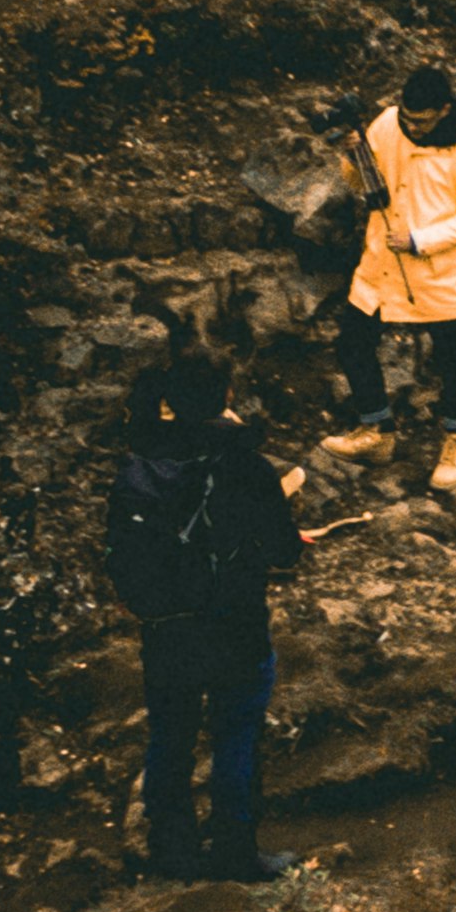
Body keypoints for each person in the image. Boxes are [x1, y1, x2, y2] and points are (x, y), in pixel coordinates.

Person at [107, 326, 309, 882]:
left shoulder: (138, 466)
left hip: (167, 629)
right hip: (235, 622)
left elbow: (122, 553)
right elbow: (284, 553)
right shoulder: (246, 465)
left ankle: (173, 850)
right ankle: (236, 851)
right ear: (226, 397)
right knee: (236, 734)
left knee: (169, 735)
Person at [328, 63, 456, 485]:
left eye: (421, 121)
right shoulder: (389, 124)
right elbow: (361, 184)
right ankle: (377, 430)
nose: (412, 128)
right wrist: (353, 155)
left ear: (443, 110)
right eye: (407, 118)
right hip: (381, 264)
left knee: (452, 356)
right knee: (353, 341)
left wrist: (422, 238)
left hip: (436, 272)